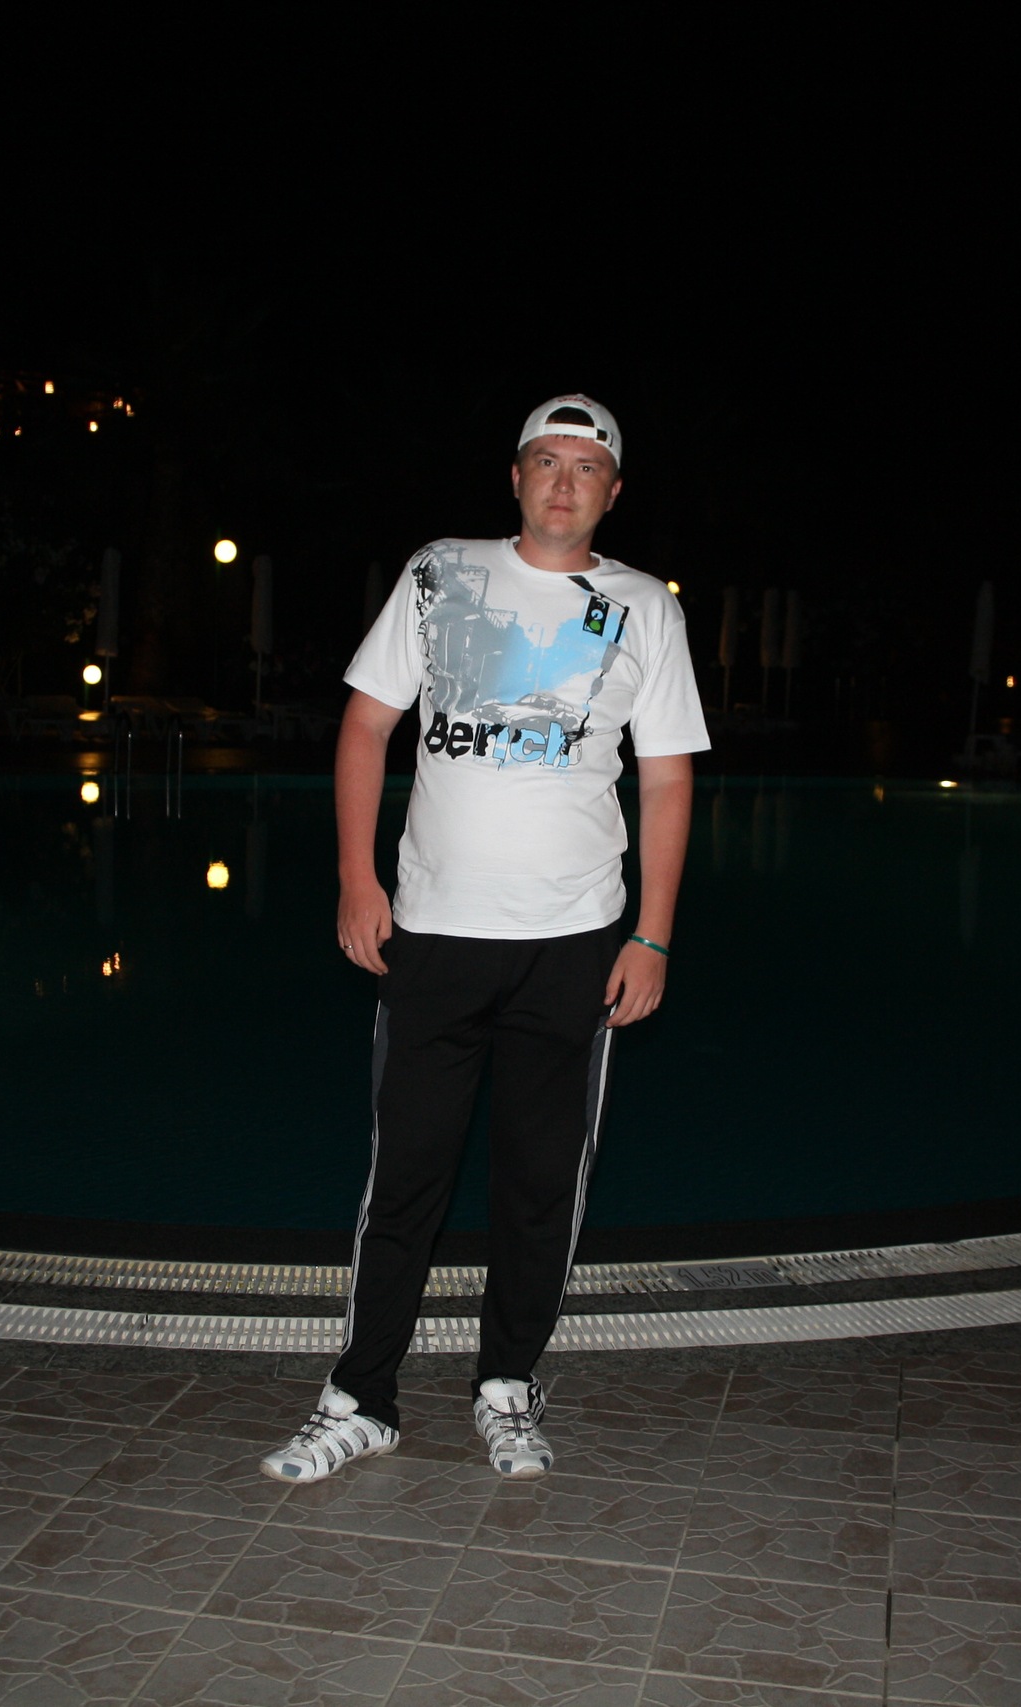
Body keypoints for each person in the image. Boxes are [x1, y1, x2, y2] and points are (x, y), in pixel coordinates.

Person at [261, 394, 708, 1483]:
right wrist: (357, 878)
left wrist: (651, 936)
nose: (564, 482)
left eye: (586, 467)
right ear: (514, 477)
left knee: (540, 1182)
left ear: (613, 491)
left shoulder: (645, 607)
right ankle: (361, 1397)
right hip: (434, 934)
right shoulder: (439, 572)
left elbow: (665, 777)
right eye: (545, 461)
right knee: (404, 1178)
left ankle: (507, 1384)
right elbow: (367, 723)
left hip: (573, 943)